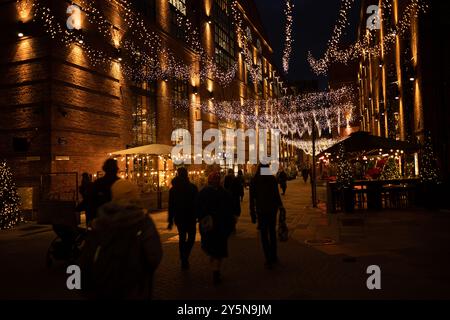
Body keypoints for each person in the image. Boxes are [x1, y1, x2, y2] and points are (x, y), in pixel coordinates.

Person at [81, 179, 162, 299]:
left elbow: (86, 257)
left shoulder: (101, 221)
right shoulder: (143, 221)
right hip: (134, 289)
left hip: (104, 288)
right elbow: (154, 255)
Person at [196, 172, 236, 285]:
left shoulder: (203, 192)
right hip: (221, 226)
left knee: (211, 249)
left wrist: (201, 218)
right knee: (219, 250)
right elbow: (230, 210)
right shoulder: (225, 193)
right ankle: (216, 270)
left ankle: (215, 269)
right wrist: (230, 225)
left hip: (209, 226)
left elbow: (198, 208)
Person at [250, 164, 284, 269]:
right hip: (272, 209)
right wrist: (281, 206)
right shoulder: (272, 179)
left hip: (261, 210)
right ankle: (273, 255)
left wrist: (252, 212)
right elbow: (276, 194)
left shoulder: (255, 179)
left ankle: (268, 258)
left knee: (264, 234)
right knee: (272, 232)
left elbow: (252, 198)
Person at [168, 167, 198, 270]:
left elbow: (171, 205)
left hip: (179, 216)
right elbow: (196, 203)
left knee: (182, 237)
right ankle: (185, 256)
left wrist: (170, 220)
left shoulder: (173, 189)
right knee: (191, 238)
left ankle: (183, 257)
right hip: (190, 216)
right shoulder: (193, 187)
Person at [87, 159, 120, 223]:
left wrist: (91, 219)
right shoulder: (120, 183)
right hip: (117, 219)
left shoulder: (98, 183)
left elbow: (92, 202)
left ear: (104, 169)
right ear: (116, 169)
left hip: (101, 219)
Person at [223, 169, 242, 233]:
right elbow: (239, 189)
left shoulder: (226, 178)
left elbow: (224, 188)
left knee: (229, 213)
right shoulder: (236, 179)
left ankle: (231, 226)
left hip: (228, 199)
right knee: (234, 213)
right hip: (235, 199)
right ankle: (233, 226)